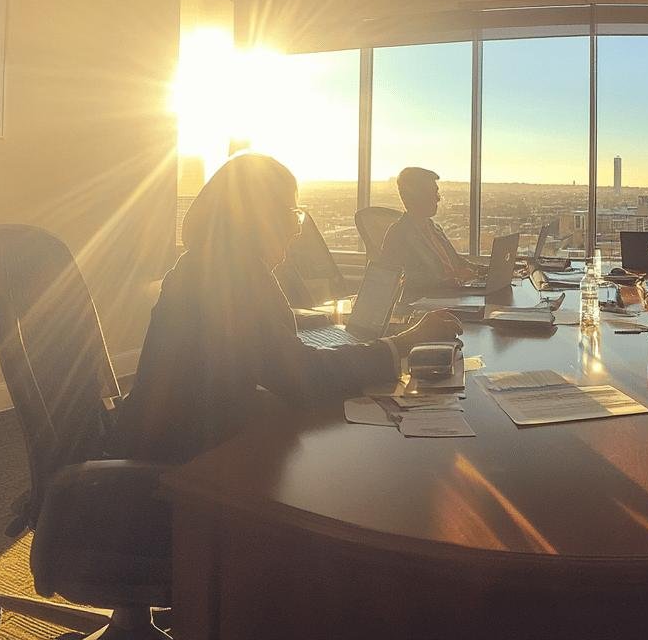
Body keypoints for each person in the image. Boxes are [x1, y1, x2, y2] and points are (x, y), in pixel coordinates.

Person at [111, 153, 460, 463]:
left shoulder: (212, 264)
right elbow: (301, 377)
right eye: (291, 214)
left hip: (175, 440)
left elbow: (263, 354)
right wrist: (402, 345)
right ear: (257, 217)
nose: (295, 231)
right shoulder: (230, 276)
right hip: (180, 470)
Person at [377, 167, 477, 296]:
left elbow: (456, 262)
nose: (438, 199)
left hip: (453, 295)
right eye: (433, 193)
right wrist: (443, 283)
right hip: (430, 305)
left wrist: (488, 270)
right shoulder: (398, 234)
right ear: (415, 196)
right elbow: (397, 283)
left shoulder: (434, 228)